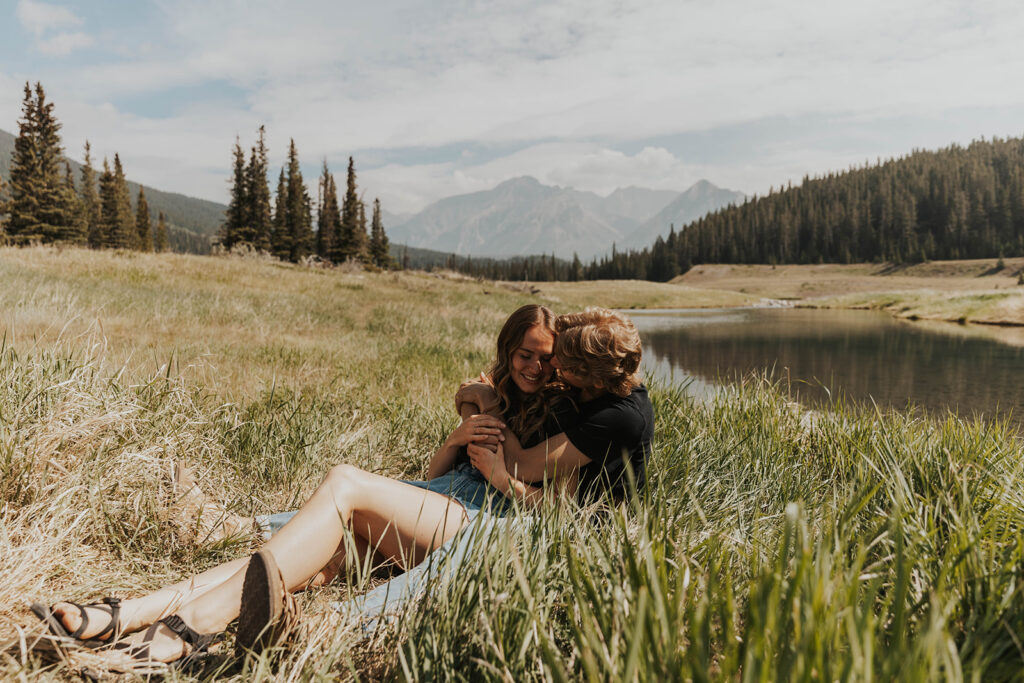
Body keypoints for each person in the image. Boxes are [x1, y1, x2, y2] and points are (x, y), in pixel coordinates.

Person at [31, 307, 652, 669]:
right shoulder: (509, 393)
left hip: (491, 526)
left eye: (551, 360)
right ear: (510, 352)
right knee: (301, 559)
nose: (540, 368)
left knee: (346, 482)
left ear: (572, 368)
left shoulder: (580, 411)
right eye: (528, 356)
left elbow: (553, 503)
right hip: (448, 505)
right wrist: (470, 421)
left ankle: (187, 629)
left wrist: (494, 464)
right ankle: (126, 614)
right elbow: (444, 471)